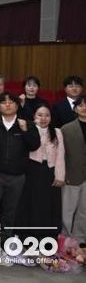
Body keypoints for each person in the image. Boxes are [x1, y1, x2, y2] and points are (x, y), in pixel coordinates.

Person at [0, 92, 40, 238]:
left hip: (17, 176)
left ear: (17, 105)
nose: (7, 105)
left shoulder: (27, 124)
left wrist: (25, 131)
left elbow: (34, 145)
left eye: (11, 102)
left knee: (10, 210)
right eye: (4, 102)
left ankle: (5, 239)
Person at [16, 105, 65, 240]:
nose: (43, 118)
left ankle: (48, 237)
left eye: (47, 115)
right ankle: (29, 237)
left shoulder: (57, 132)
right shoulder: (28, 129)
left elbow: (61, 155)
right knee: (32, 204)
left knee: (50, 205)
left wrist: (60, 175)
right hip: (32, 170)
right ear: (34, 116)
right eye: (40, 115)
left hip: (50, 171)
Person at [61, 96, 86, 241]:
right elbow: (61, 155)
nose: (84, 108)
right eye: (80, 105)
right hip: (71, 174)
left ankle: (80, 240)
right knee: (67, 209)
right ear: (75, 109)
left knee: (84, 210)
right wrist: (63, 174)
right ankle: (65, 239)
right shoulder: (66, 129)